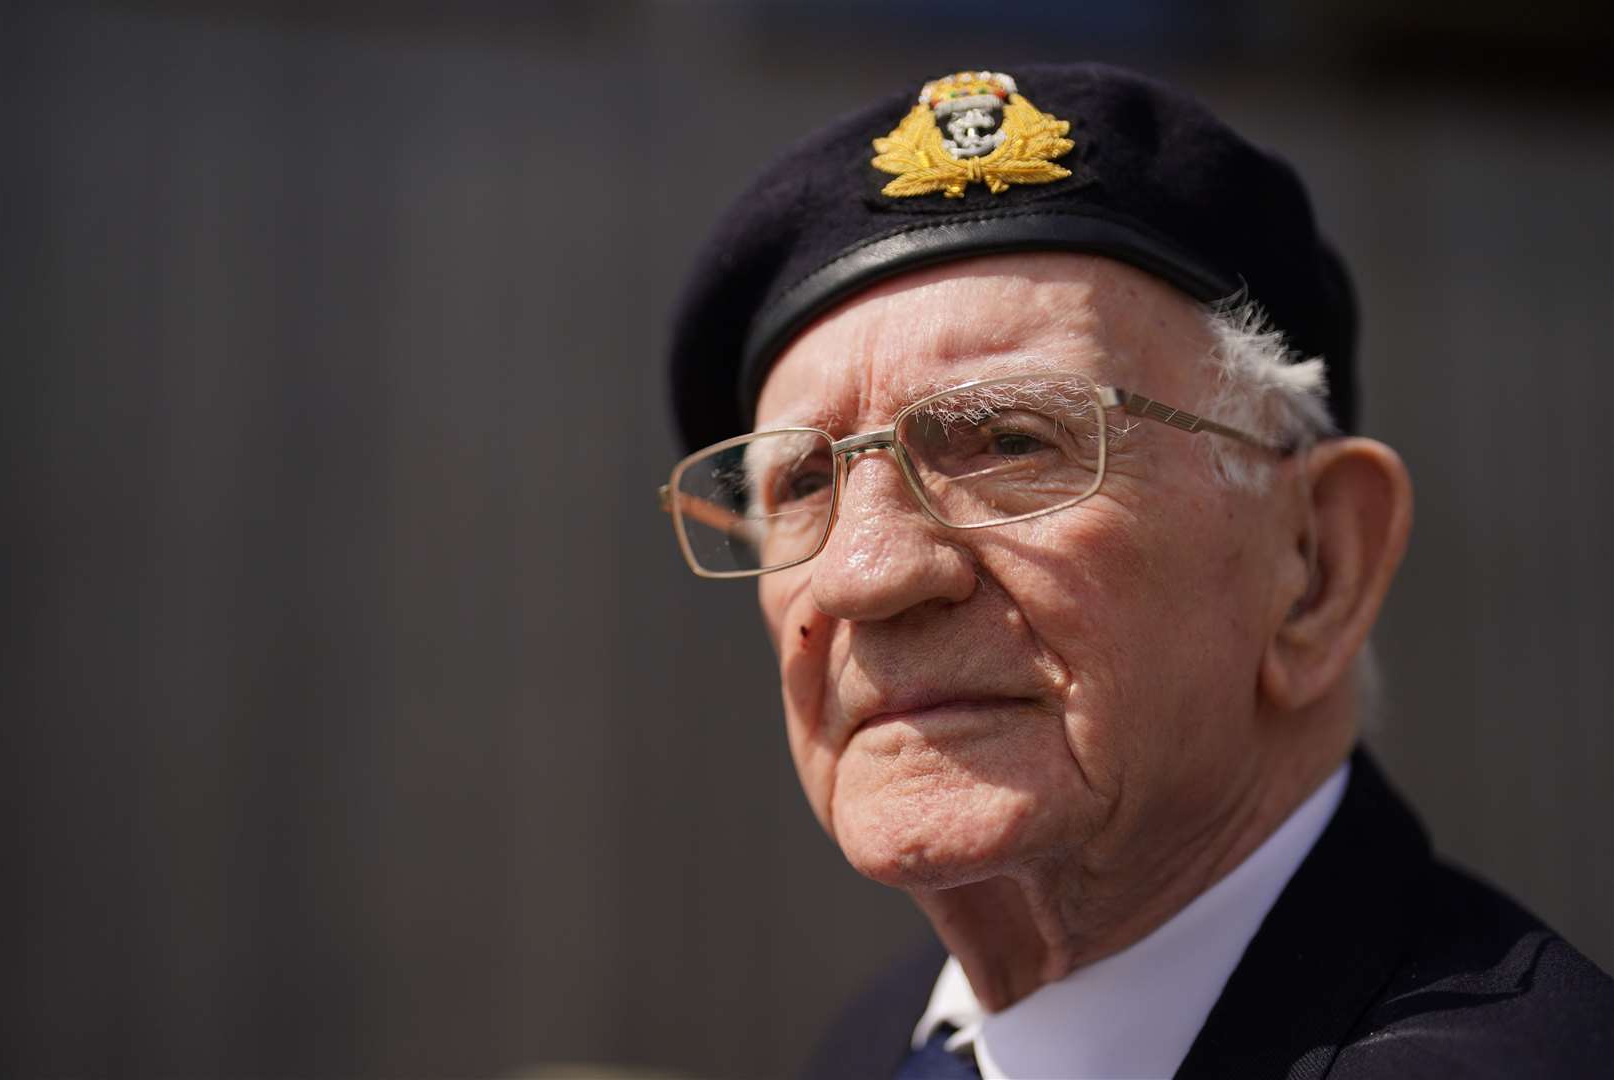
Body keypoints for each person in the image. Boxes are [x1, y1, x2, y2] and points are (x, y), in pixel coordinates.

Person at [658, 63, 1612, 1079]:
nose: (863, 572)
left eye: (1009, 443)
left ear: (1315, 563)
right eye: (803, 482)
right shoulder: (882, 1043)